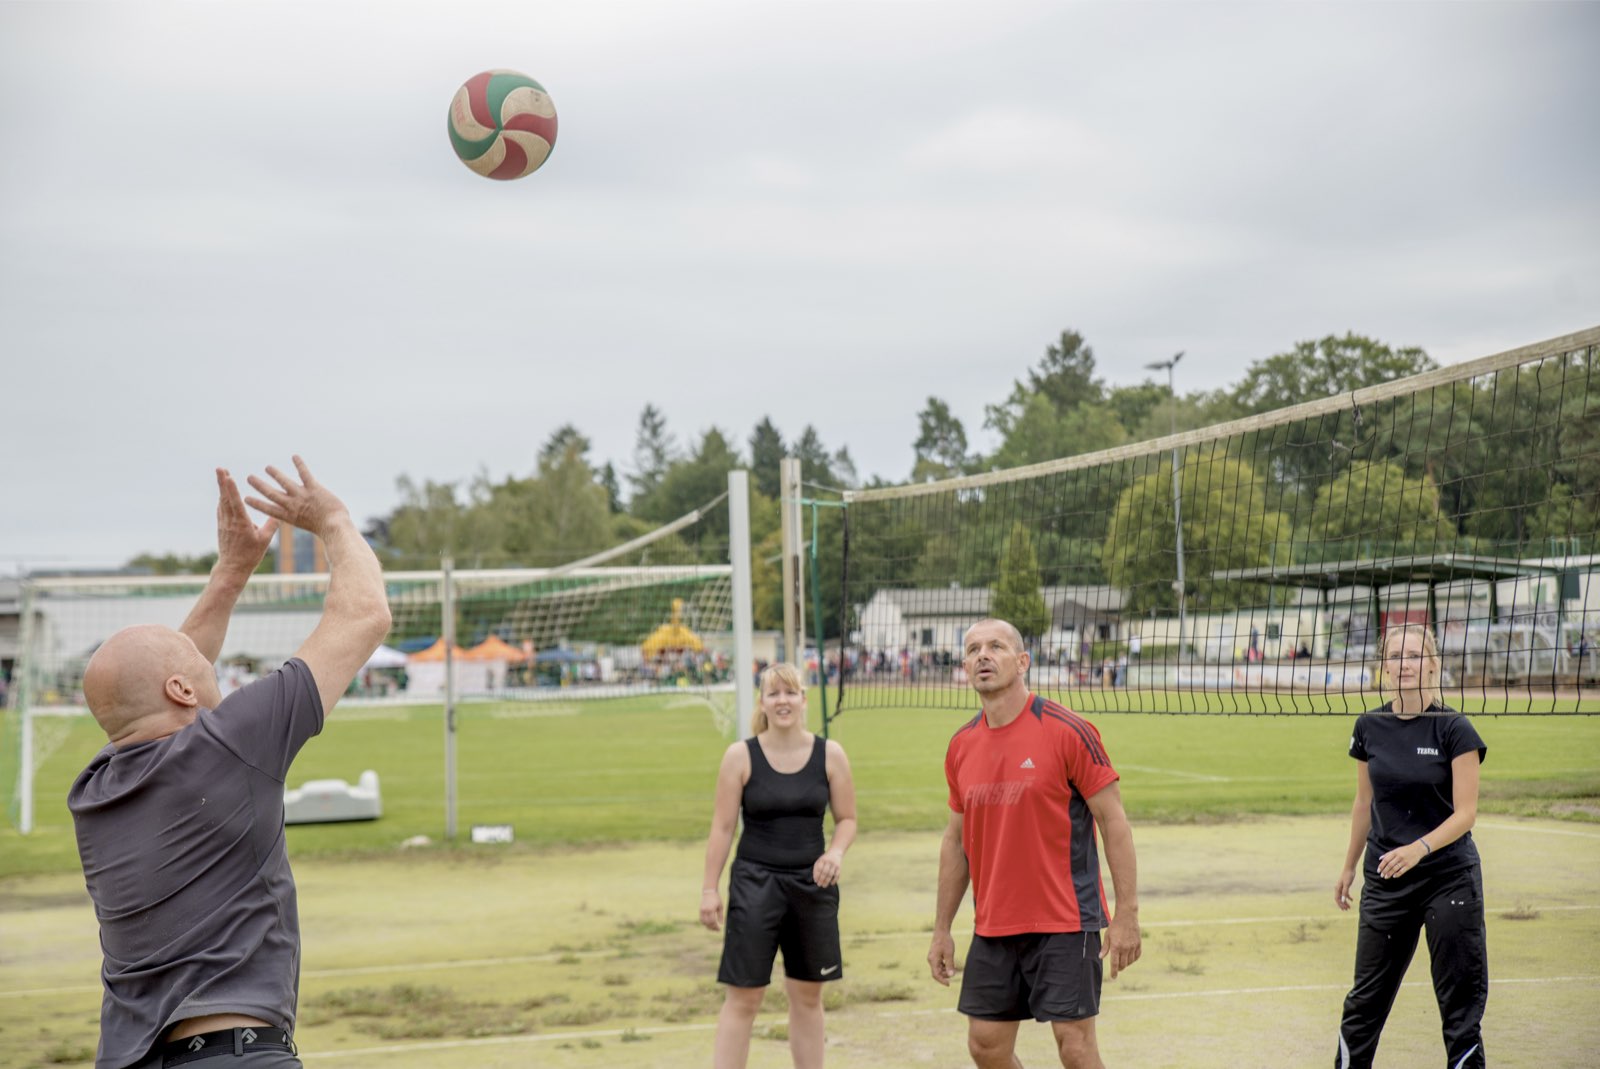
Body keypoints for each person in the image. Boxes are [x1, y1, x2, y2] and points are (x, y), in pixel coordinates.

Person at [68, 459, 391, 1069]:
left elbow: (163, 676)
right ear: (183, 690)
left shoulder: (94, 790)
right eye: (203, 669)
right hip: (237, 1057)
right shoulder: (226, 746)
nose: (210, 667)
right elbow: (364, 615)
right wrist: (333, 519)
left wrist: (233, 570)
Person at [929, 618, 1140, 1069]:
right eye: (973, 650)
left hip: (1065, 919)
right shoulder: (961, 745)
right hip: (993, 924)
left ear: (1023, 661)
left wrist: (1127, 913)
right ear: (964, 667)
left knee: (1075, 1047)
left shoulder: (1068, 730)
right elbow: (955, 841)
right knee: (986, 1045)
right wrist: (942, 928)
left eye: (996, 646)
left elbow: (1114, 822)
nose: (983, 656)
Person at [1334, 622, 1487, 1069]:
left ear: (1432, 665)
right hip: (1386, 879)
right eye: (1395, 656)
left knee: (1459, 1007)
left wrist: (1419, 848)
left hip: (1447, 878)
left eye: (1415, 655)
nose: (1404, 664)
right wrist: (1348, 866)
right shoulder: (1369, 726)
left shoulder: (1455, 728)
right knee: (1364, 1002)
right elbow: (1364, 802)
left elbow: (1466, 814)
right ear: (1384, 667)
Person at [699, 662, 857, 1069]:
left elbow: (847, 819)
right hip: (755, 884)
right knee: (744, 996)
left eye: (790, 693)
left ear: (803, 699)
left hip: (812, 888)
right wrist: (709, 889)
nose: (782, 701)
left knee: (807, 995)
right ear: (762, 702)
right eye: (774, 693)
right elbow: (722, 828)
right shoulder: (740, 756)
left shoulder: (830, 754)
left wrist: (835, 853)